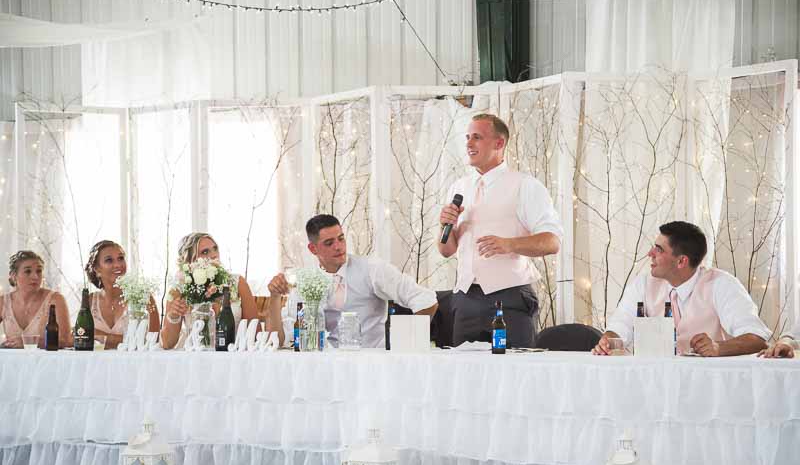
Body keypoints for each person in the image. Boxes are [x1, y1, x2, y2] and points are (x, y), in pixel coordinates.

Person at [438, 113, 562, 348]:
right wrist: (445, 226)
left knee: (514, 368)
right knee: (464, 369)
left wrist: (509, 244)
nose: (469, 143)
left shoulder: (525, 185)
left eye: (477, 137)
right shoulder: (458, 187)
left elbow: (552, 242)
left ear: (499, 143)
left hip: (509, 298)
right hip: (465, 300)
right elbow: (446, 250)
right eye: (467, 137)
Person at [592, 221, 769, 357]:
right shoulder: (643, 283)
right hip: (654, 380)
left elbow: (756, 338)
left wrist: (718, 347)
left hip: (707, 383)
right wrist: (608, 342)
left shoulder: (722, 284)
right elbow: (620, 325)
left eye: (659, 250)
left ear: (681, 261)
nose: (650, 254)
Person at [268, 214, 437, 348]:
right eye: (329, 243)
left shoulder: (372, 269)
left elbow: (426, 300)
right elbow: (279, 340)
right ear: (313, 249)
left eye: (341, 238)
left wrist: (405, 345)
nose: (338, 246)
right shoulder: (307, 281)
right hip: (327, 366)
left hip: (372, 363)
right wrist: (274, 297)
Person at [160, 233, 269, 349]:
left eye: (215, 249)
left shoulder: (238, 283)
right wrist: (173, 316)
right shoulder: (180, 289)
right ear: (189, 261)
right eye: (205, 252)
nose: (214, 255)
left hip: (233, 355)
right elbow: (167, 344)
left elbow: (256, 335)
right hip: (195, 355)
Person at [85, 240, 160, 349]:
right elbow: (80, 338)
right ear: (97, 269)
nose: (117, 265)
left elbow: (153, 340)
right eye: (109, 260)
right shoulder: (89, 301)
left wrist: (99, 335)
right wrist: (128, 340)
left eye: (121, 258)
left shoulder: (144, 297)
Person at [0, 251, 71, 348]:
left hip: (48, 358)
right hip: (10, 358)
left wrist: (29, 343)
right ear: (14, 276)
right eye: (28, 271)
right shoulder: (3, 302)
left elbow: (66, 341)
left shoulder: (55, 300)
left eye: (39, 271)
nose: (35, 277)